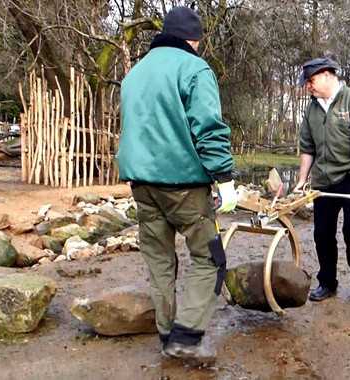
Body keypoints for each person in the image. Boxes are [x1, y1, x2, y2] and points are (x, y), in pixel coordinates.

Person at [117, 6, 237, 366]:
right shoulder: (194, 68)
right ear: (194, 40)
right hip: (183, 184)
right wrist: (225, 178)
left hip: (141, 183)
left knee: (159, 261)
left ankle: (167, 333)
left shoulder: (134, 74)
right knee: (209, 259)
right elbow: (208, 127)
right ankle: (186, 337)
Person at [293, 57, 350, 305]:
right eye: (307, 82)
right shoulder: (311, 109)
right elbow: (307, 147)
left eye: (311, 80)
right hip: (324, 181)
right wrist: (302, 181)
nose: (308, 86)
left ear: (327, 75)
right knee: (322, 234)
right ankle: (327, 283)